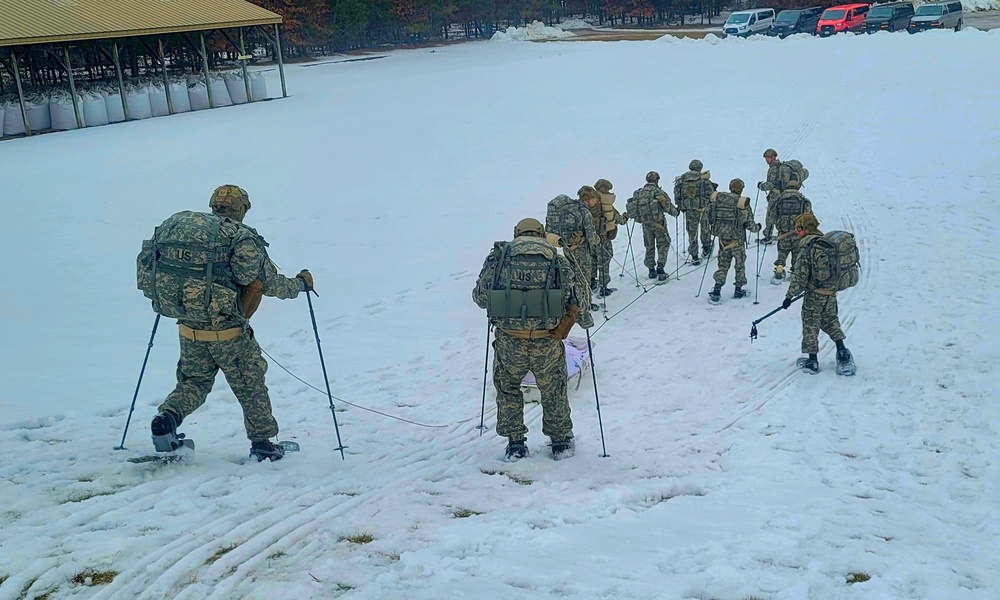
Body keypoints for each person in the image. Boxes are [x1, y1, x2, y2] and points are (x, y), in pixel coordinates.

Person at [140, 185, 312, 462]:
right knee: (250, 383)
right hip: (228, 332)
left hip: (189, 327)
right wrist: (300, 285)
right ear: (242, 209)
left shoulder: (185, 232)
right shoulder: (240, 238)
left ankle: (167, 418)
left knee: (194, 381)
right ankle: (263, 445)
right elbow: (265, 282)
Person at [472, 218, 578, 460]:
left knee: (508, 389)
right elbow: (573, 298)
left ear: (516, 233)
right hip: (547, 340)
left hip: (510, 341)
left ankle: (516, 444)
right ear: (540, 234)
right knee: (554, 389)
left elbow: (480, 297)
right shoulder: (556, 258)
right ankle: (560, 442)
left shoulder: (499, 257)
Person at [782, 212, 853, 374]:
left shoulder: (808, 247)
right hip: (830, 293)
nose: (797, 233)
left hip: (814, 295)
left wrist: (788, 297)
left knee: (810, 325)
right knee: (830, 320)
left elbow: (800, 276)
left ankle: (812, 360)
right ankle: (842, 352)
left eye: (798, 229)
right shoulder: (827, 243)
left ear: (805, 229)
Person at [546, 188, 599, 328]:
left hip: (567, 248)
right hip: (581, 251)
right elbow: (592, 237)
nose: (595, 202)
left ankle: (580, 305)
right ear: (588, 199)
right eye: (594, 199)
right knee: (583, 280)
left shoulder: (568, 210)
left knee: (574, 278)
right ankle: (583, 312)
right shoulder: (583, 211)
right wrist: (597, 241)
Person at [706, 178, 761, 303]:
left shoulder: (719, 200)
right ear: (741, 189)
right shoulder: (741, 203)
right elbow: (750, 225)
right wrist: (758, 228)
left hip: (722, 240)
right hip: (737, 240)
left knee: (722, 265)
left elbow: (709, 216)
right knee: (740, 264)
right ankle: (738, 289)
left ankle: (716, 290)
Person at [627, 171, 679, 281]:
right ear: (657, 180)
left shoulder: (639, 193)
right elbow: (667, 206)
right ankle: (660, 267)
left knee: (649, 246)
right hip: (659, 223)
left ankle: (651, 270)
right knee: (663, 244)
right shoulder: (658, 191)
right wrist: (676, 212)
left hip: (646, 224)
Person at [771, 176, 813, 284]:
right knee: (797, 253)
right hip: (797, 232)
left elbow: (772, 213)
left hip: (783, 232)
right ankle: (794, 271)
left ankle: (780, 267)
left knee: (782, 251)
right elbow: (809, 216)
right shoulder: (803, 199)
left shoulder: (780, 199)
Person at [674, 159, 715, 265]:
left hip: (689, 210)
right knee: (705, 229)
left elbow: (677, 194)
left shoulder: (682, 179)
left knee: (692, 232)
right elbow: (711, 194)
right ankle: (706, 248)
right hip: (702, 209)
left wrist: (680, 206)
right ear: (700, 168)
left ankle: (694, 255)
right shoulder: (703, 179)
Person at [590, 178, 627, 297]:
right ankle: (603, 287)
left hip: (590, 239)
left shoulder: (590, 204)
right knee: (604, 261)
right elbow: (618, 219)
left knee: (593, 259)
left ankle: (591, 283)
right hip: (603, 238)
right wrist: (625, 217)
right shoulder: (607, 204)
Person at [758, 148, 784, 243]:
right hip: (781, 195)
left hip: (775, 195)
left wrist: (761, 186)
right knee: (779, 215)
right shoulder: (779, 166)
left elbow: (771, 184)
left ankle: (768, 235)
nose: (766, 160)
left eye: (768, 158)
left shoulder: (773, 168)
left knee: (770, 215)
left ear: (773, 157)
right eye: (766, 158)